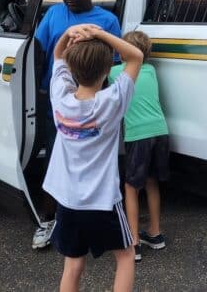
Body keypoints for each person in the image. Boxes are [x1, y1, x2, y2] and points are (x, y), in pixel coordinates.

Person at [42, 23, 142, 292]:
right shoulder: (112, 101)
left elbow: (58, 54)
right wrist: (99, 34)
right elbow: (136, 56)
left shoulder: (60, 97)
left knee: (73, 265)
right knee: (125, 255)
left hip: (67, 199)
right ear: (109, 70)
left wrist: (70, 31)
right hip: (102, 201)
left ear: (73, 70)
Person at [30, 0, 122, 249]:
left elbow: (116, 63)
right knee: (55, 161)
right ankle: (49, 219)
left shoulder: (107, 20)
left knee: (95, 165)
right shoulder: (55, 14)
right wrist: (39, 88)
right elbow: (39, 49)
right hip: (59, 102)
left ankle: (93, 221)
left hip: (94, 107)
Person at [108, 31, 170, 263]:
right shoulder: (151, 70)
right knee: (152, 182)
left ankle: (133, 241)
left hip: (138, 136)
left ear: (125, 52)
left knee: (131, 187)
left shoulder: (116, 72)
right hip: (161, 132)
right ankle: (155, 233)